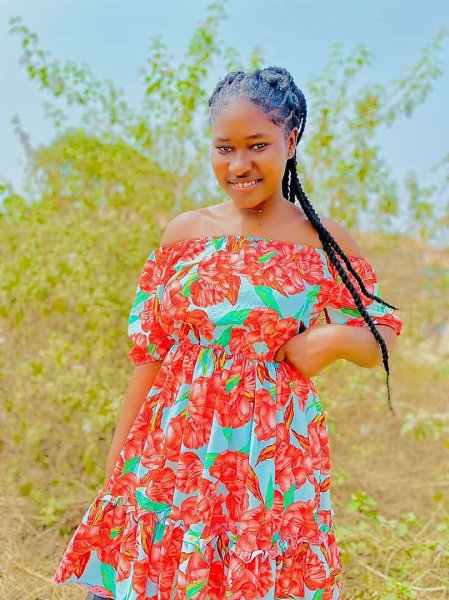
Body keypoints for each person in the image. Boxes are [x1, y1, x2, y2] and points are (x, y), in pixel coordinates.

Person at [53, 66, 403, 599]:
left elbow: (383, 332)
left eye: (257, 145)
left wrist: (326, 342)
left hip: (268, 461)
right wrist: (118, 459)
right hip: (173, 449)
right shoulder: (185, 233)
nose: (239, 165)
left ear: (291, 141)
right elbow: (150, 352)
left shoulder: (322, 241)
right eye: (224, 149)